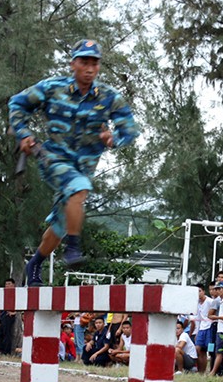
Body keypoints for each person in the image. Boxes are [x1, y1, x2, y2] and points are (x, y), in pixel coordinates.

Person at [9, 39, 139, 286]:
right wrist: (23, 133)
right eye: (84, 62)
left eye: (94, 63)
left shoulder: (110, 97)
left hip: (85, 167)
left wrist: (113, 139)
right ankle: (73, 249)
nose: (89, 69)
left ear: (99, 67)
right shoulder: (52, 88)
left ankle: (35, 263)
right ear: (73, 64)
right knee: (78, 187)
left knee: (61, 223)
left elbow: (130, 130)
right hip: (53, 159)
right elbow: (18, 103)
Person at [191, 284, 213, 374]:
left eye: (199, 291)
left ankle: (212, 370)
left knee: (210, 350)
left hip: (210, 327)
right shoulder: (198, 303)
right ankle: (201, 371)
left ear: (204, 291)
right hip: (202, 328)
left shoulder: (210, 302)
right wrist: (197, 331)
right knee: (198, 349)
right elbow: (198, 319)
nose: (198, 293)